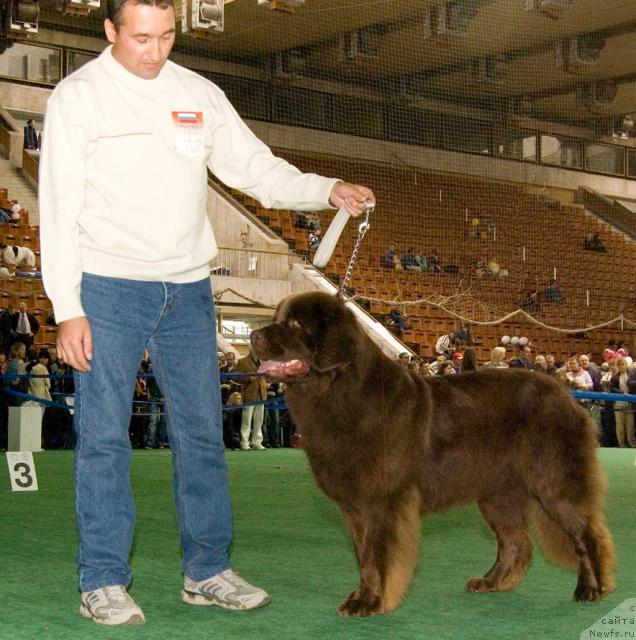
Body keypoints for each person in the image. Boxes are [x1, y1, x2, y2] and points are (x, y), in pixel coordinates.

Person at [38, 0, 375, 627]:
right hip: (108, 289)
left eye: (166, 36)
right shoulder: (77, 98)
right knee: (104, 441)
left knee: (201, 437)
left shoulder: (198, 93)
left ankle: (207, 570)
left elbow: (256, 170)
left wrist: (323, 188)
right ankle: (103, 580)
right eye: (140, 38)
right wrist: (68, 307)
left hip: (189, 290)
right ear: (109, 30)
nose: (155, 51)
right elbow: (56, 208)